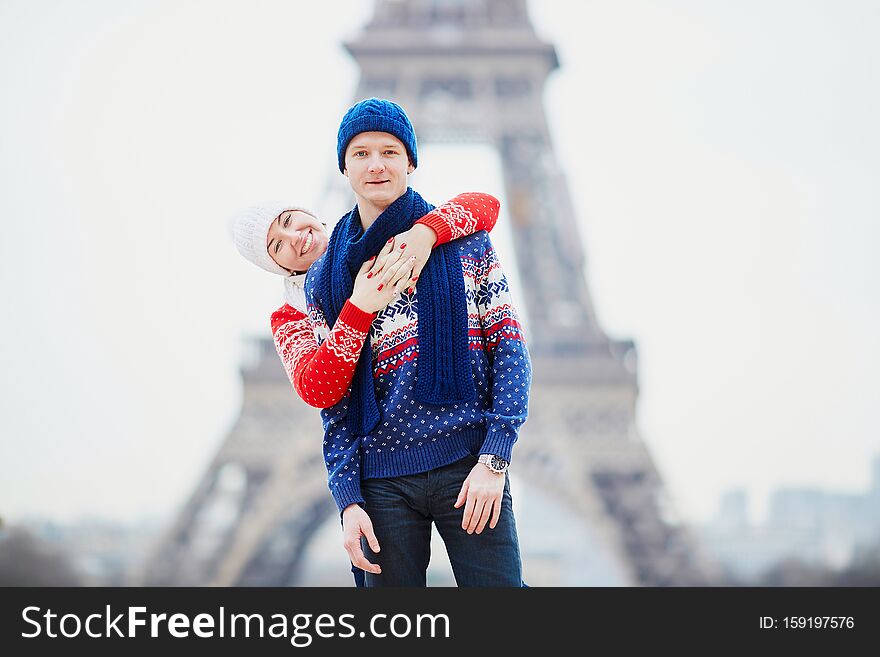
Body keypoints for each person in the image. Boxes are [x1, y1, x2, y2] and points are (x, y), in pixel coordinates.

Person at [302, 97, 531, 586]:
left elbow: (509, 350)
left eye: (389, 151)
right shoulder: (324, 277)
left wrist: (494, 459)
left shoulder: (464, 241)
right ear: (343, 166)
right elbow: (337, 400)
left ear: (410, 161)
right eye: (361, 153)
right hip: (380, 481)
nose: (376, 164)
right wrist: (348, 501)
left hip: (468, 468)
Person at [228, 192, 501, 585]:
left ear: (308, 211)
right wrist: (359, 307)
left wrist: (426, 232)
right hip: (380, 474)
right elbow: (319, 390)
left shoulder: (381, 238)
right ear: (275, 266)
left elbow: (484, 205)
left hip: (458, 450)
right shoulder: (292, 315)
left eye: (289, 219)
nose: (294, 237)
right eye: (276, 245)